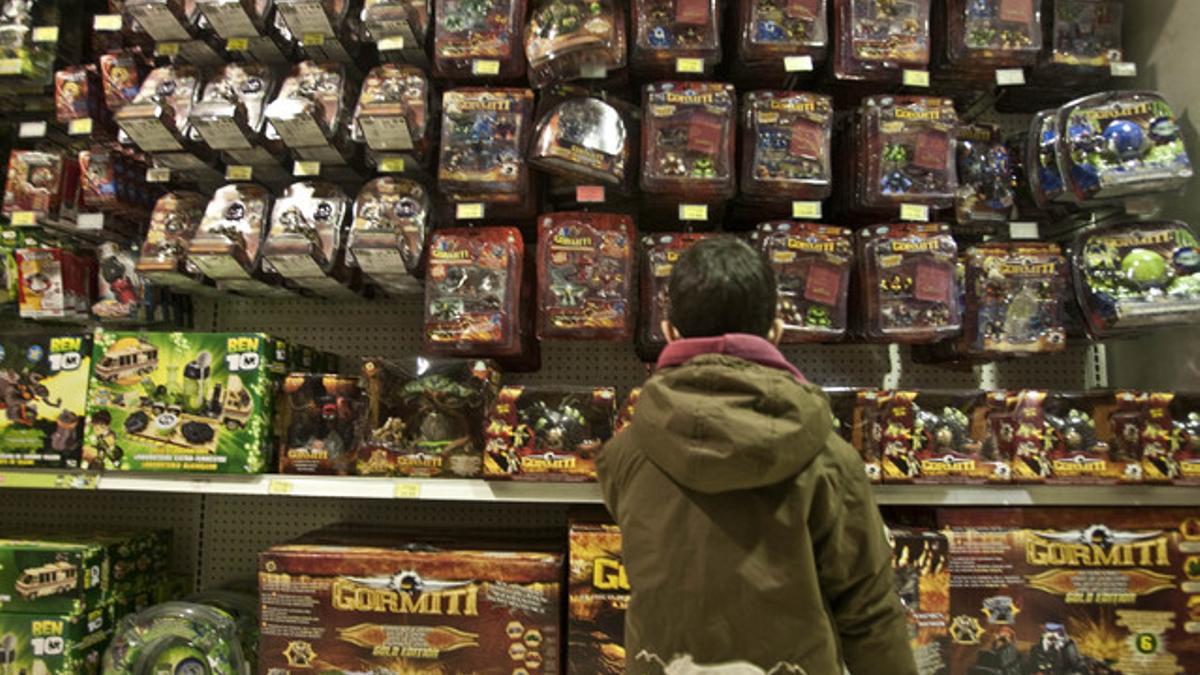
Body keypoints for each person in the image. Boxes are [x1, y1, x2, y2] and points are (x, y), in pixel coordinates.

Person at [598, 236, 917, 675]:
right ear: (776, 332)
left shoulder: (623, 456)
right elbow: (868, 611)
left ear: (670, 332)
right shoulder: (829, 457)